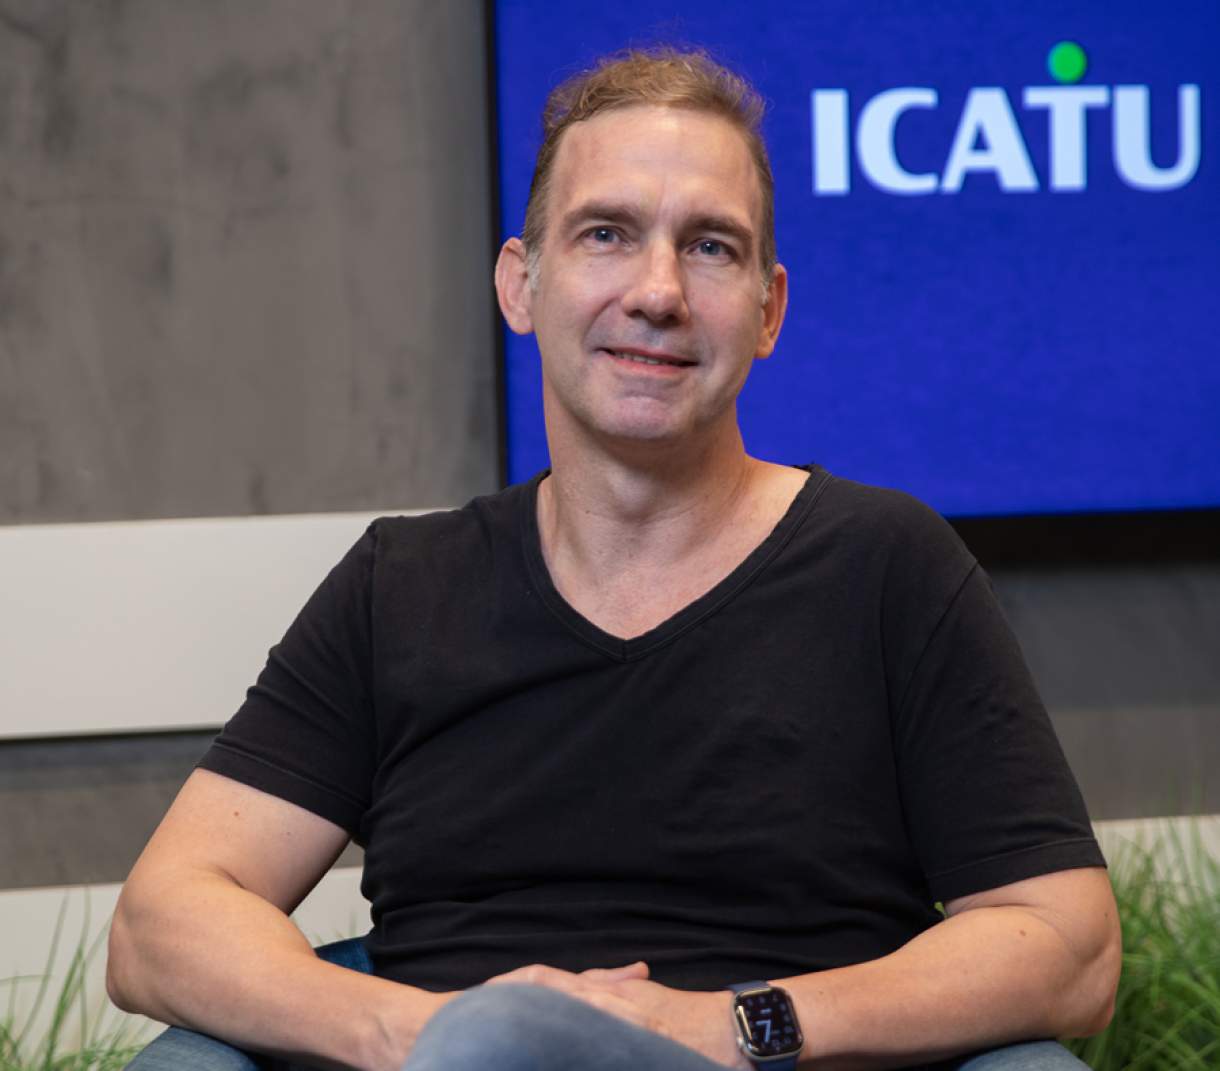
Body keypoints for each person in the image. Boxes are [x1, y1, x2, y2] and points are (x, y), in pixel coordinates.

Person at [107, 48, 1121, 1071]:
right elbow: (161, 923)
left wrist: (727, 1026)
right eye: (606, 234)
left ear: (767, 310)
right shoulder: (401, 584)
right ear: (521, 283)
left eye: (710, 247)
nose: (657, 292)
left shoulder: (885, 566)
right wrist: (418, 1032)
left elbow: (1066, 943)